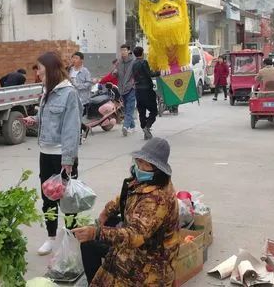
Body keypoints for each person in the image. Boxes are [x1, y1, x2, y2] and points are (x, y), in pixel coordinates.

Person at [73, 137, 180, 286]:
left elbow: (135, 236)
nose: (140, 166)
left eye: (146, 164)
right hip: (139, 246)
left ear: (158, 169)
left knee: (92, 242)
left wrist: (96, 232)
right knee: (98, 235)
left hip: (150, 263)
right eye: (139, 161)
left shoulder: (157, 200)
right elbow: (124, 197)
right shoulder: (144, 181)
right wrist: (106, 212)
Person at [21, 52, 81, 256]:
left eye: (41, 70)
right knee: (48, 198)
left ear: (53, 70)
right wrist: (34, 120)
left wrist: (68, 160)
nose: (38, 74)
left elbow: (71, 128)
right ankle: (51, 238)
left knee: (67, 199)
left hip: (62, 157)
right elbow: (47, 118)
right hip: (45, 154)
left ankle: (72, 237)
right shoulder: (46, 91)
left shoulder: (69, 93)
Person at [132, 46, 160, 140]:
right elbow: (149, 74)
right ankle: (147, 127)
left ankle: (144, 129)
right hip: (147, 90)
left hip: (138, 91)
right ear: (142, 53)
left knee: (142, 112)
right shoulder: (143, 62)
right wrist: (158, 72)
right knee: (154, 111)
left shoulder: (133, 64)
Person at [69, 52, 93, 140]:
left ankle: (78, 137)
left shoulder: (85, 71)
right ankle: (85, 128)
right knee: (73, 118)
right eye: (73, 58)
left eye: (76, 58)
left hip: (82, 99)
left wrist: (77, 85)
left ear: (81, 60)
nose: (74, 60)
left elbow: (89, 84)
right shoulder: (70, 70)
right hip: (71, 98)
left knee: (76, 118)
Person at [115, 44, 137, 137]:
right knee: (126, 108)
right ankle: (132, 126)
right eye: (121, 50)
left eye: (124, 50)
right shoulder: (119, 62)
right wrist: (114, 73)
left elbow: (137, 74)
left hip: (131, 88)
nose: (123, 52)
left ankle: (125, 126)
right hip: (121, 88)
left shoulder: (134, 62)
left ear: (128, 51)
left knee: (130, 108)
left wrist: (133, 83)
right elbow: (116, 74)